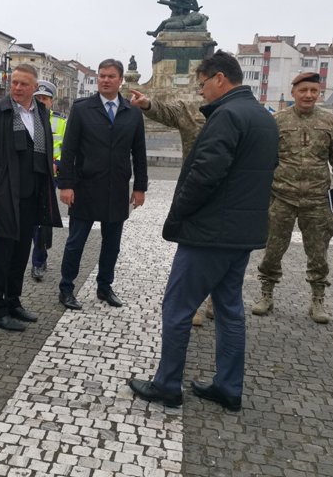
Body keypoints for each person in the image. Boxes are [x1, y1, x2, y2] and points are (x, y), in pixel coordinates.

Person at [128, 51, 279, 411]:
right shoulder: (263, 117)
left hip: (210, 232)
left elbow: (205, 173)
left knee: (177, 308)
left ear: (220, 79)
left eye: (203, 84)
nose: (201, 91)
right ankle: (228, 387)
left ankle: (167, 385)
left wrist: (179, 211)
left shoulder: (226, 115)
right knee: (229, 309)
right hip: (242, 232)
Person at [254, 72, 333, 323]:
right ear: (294, 91)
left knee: (319, 253)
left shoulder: (331, 120)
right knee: (272, 250)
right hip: (281, 196)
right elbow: (264, 160)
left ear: (319, 93)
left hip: (317, 199)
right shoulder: (276, 120)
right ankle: (266, 293)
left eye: (314, 91)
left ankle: (317, 299)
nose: (308, 95)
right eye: (303, 90)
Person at [0, 64, 62, 332]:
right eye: (14, 82)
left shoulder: (41, 113)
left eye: (24, 84)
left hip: (33, 196)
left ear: (35, 87)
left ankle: (13, 302)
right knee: (2, 255)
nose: (17, 87)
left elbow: (44, 151)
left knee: (22, 252)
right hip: (6, 196)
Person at [57, 58, 148, 310]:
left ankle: (105, 286)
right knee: (76, 242)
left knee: (112, 244)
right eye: (101, 76)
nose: (105, 80)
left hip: (116, 189)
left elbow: (139, 153)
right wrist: (66, 184)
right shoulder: (82, 108)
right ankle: (66, 288)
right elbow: (69, 149)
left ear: (120, 80)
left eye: (110, 76)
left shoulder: (132, 113)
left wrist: (140, 187)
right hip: (85, 187)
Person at [128, 89, 213, 326]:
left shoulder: (241, 112)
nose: (203, 86)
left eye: (206, 81)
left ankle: (215, 299)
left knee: (221, 251)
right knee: (192, 250)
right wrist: (147, 104)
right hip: (194, 191)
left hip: (228, 194)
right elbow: (165, 112)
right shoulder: (189, 109)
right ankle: (193, 303)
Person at [30, 80, 67, 281]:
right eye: (38, 98)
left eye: (45, 98)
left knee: (42, 222)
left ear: (51, 101)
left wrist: (58, 163)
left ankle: (39, 261)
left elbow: (68, 149)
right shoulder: (24, 118)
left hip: (50, 176)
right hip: (28, 175)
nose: (41, 101)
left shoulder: (61, 121)